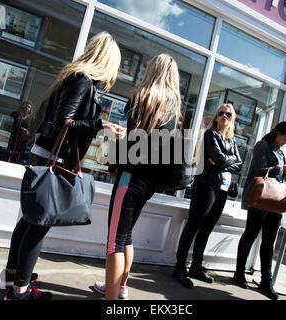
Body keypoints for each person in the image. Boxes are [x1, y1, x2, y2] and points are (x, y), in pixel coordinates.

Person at [2, 31, 124, 300]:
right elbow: (63, 123)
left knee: (29, 218)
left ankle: (12, 277)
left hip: (46, 154)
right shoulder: (82, 80)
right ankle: (19, 291)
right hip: (54, 159)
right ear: (107, 60)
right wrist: (101, 125)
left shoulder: (74, 77)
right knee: (39, 224)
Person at [94, 54, 183, 300]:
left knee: (115, 242)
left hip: (129, 178)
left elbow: (125, 140)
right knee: (127, 236)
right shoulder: (174, 108)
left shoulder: (141, 98)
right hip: (150, 182)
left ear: (151, 71)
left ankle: (112, 299)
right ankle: (119, 288)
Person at [172, 103, 242, 288]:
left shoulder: (232, 140)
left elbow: (239, 164)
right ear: (216, 117)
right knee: (194, 226)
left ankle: (196, 266)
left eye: (228, 114)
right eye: (221, 113)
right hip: (206, 185)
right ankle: (179, 268)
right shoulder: (210, 134)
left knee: (207, 228)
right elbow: (219, 159)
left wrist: (223, 162)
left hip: (222, 188)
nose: (224, 116)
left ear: (232, 118)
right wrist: (225, 161)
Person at [232, 121, 286, 300]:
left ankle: (266, 281)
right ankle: (239, 273)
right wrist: (283, 168)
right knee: (250, 234)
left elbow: (280, 177)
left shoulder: (281, 152)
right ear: (278, 132)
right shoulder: (262, 145)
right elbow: (261, 170)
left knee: (269, 242)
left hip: (274, 201)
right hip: (260, 199)